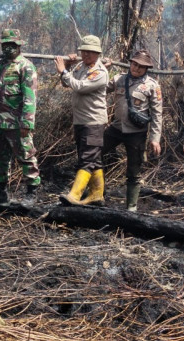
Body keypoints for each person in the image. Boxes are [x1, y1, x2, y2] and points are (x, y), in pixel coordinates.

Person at [0, 28, 41, 208]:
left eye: (12, 45)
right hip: (0, 123)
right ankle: (0, 194)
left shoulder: (25, 66)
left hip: (18, 123)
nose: (8, 49)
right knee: (0, 159)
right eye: (5, 45)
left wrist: (27, 122)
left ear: (19, 45)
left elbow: (30, 96)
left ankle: (32, 193)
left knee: (26, 157)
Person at [102, 50, 163, 212]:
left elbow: (157, 113)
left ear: (146, 68)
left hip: (137, 132)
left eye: (141, 66)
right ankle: (97, 193)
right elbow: (99, 87)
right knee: (95, 155)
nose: (137, 68)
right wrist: (103, 68)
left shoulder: (152, 85)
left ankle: (131, 206)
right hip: (116, 128)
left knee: (134, 169)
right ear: (130, 63)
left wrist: (155, 138)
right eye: (135, 64)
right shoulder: (119, 79)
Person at [55, 35, 109, 206]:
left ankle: (75, 195)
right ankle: (96, 194)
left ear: (97, 53)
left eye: (90, 52)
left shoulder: (100, 73)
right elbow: (67, 83)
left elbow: (79, 86)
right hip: (80, 121)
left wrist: (64, 71)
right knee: (93, 158)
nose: (86, 55)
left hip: (93, 122)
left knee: (86, 158)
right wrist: (69, 67)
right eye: (84, 51)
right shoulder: (81, 66)